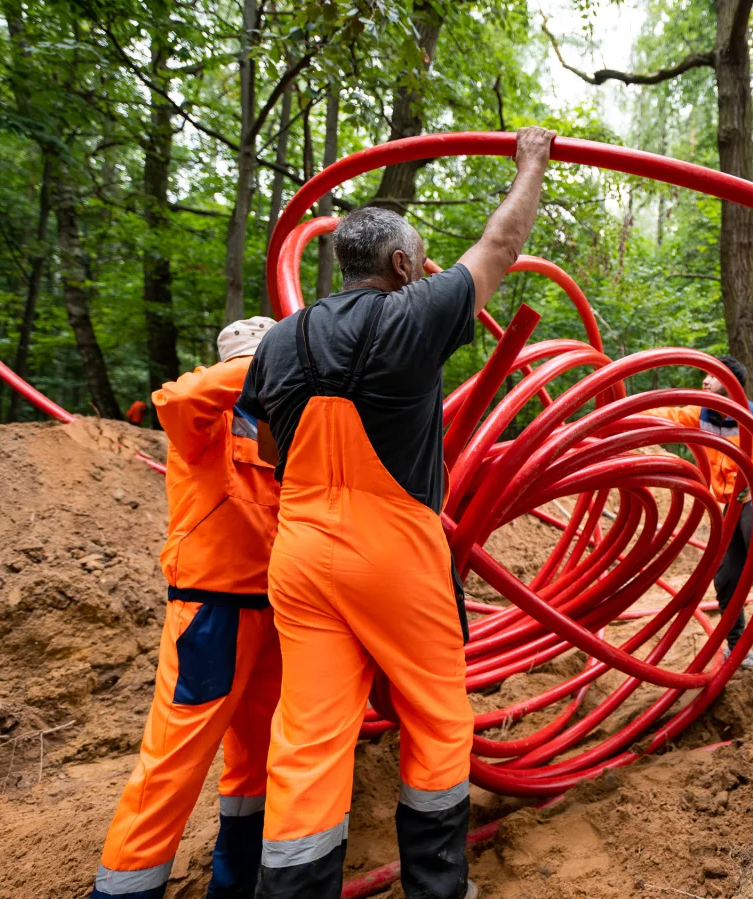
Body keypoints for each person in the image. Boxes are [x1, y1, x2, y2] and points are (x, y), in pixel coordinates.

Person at [236, 126, 557, 899]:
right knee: (439, 719)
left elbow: (270, 449)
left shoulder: (281, 341)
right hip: (396, 554)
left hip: (303, 554)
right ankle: (438, 889)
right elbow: (501, 243)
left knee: (309, 738)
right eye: (418, 259)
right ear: (405, 264)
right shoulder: (414, 315)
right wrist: (532, 162)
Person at [93, 317, 282, 899]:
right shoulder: (201, 418)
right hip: (211, 613)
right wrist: (279, 359)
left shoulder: (278, 427)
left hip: (277, 613)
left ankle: (235, 883)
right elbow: (180, 396)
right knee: (175, 758)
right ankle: (125, 891)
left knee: (258, 756)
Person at [645, 355, 753, 668]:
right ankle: (737, 647)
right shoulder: (702, 413)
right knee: (726, 576)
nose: (704, 381)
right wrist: (630, 410)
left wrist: (750, 484)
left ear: (730, 384)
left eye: (711, 376)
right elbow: (669, 414)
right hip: (732, 502)